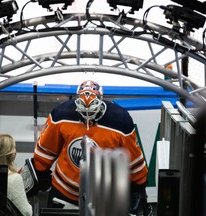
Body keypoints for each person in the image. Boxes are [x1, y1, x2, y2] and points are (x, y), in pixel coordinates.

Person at [31, 80, 151, 215]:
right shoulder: (60, 114)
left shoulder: (120, 121)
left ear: (101, 100)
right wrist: (40, 169)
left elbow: (133, 159)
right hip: (64, 190)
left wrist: (139, 186)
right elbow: (46, 148)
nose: (87, 116)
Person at [0, 134, 33, 216]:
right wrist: (29, 205)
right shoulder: (15, 178)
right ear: (11, 154)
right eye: (14, 148)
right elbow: (26, 212)